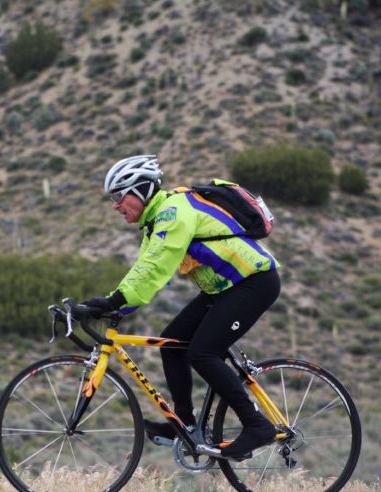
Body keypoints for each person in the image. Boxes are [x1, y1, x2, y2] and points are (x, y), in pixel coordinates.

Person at [82, 154, 281, 460]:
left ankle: (256, 426)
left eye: (119, 196)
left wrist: (112, 302)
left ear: (142, 190)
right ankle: (185, 426)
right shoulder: (155, 222)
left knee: (202, 352)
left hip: (252, 282)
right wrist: (113, 307)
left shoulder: (174, 212)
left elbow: (156, 267)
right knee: (171, 343)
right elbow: (144, 272)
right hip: (224, 288)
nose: (115, 206)